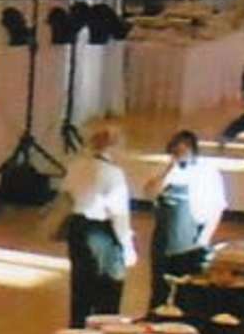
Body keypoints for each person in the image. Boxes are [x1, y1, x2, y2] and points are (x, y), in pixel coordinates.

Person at [58, 129, 135, 323]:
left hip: (77, 229)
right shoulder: (113, 173)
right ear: (113, 147)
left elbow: (66, 197)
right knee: (108, 290)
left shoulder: (75, 166)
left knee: (81, 288)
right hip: (102, 232)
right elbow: (118, 214)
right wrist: (128, 247)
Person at [147, 129, 228, 281]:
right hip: (162, 242)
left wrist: (204, 238)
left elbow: (217, 208)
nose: (179, 156)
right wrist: (168, 171)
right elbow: (149, 192)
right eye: (175, 152)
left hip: (191, 243)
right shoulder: (165, 170)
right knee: (159, 287)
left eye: (182, 151)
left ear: (193, 151)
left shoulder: (207, 173)